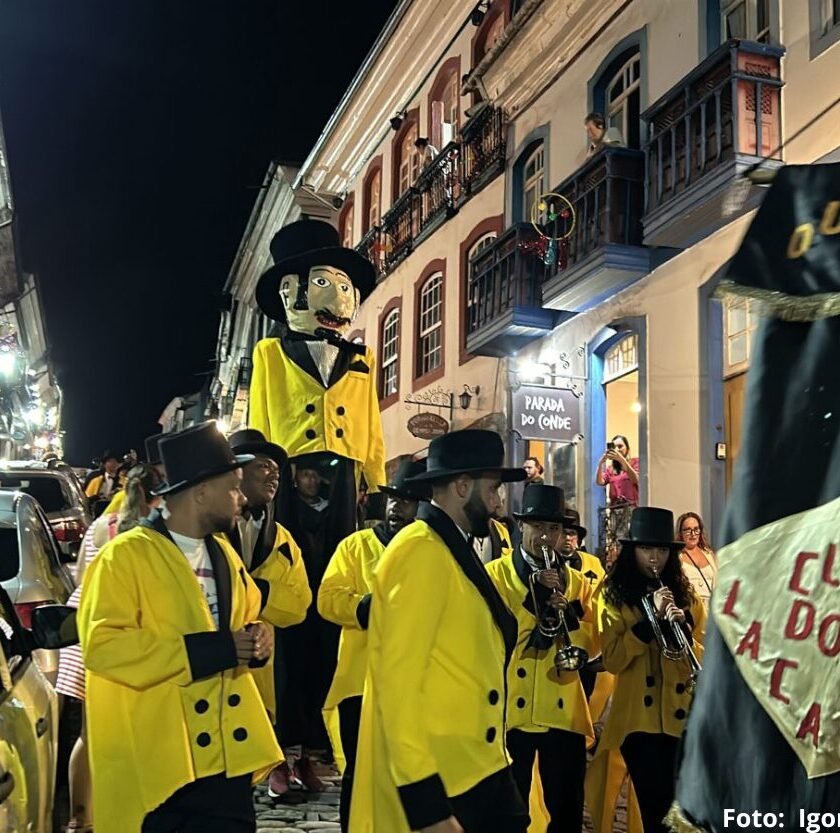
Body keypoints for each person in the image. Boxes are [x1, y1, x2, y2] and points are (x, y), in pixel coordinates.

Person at [77, 422, 281, 833]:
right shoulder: (123, 558)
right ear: (201, 491)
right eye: (234, 487)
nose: (241, 498)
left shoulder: (225, 553)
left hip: (227, 764)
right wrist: (212, 651)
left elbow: (249, 616)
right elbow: (102, 647)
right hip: (162, 771)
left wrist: (261, 636)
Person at [349, 429, 529, 833]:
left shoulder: (450, 546)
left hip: (480, 766)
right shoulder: (421, 550)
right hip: (446, 778)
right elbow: (396, 682)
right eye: (495, 488)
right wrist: (425, 802)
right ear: (463, 486)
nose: (499, 502)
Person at [319, 458, 427, 832]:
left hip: (412, 684)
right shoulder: (356, 546)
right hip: (359, 682)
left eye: (408, 500)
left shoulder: (428, 551)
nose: (398, 507)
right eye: (394, 498)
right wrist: (365, 606)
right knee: (356, 772)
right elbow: (327, 599)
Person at [56, 462, 164, 833]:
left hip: (87, 622)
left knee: (88, 735)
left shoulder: (103, 526)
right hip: (129, 628)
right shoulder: (153, 533)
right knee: (135, 731)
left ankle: (80, 817)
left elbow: (84, 576)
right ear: (158, 495)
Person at [486, 484, 595, 833]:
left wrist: (571, 617)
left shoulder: (579, 582)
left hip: (562, 711)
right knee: (508, 813)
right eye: (539, 528)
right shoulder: (495, 576)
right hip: (510, 712)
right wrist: (537, 603)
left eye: (554, 529)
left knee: (566, 811)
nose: (546, 537)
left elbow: (597, 643)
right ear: (522, 528)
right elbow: (491, 638)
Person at [595, 507, 706, 833]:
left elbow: (700, 654)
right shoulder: (612, 595)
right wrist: (648, 625)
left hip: (681, 717)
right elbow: (612, 659)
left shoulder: (685, 596)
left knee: (684, 811)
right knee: (655, 809)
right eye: (646, 549)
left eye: (660, 550)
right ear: (633, 552)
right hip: (637, 723)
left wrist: (682, 628)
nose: (654, 558)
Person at [224, 429, 312, 797]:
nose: (274, 476)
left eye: (277, 470)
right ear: (238, 472)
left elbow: (299, 604)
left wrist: (256, 593)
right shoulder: (208, 533)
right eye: (264, 467)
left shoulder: (283, 540)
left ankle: (276, 764)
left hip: (265, 661)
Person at [560, 508, 606, 700]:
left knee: (586, 698)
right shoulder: (547, 564)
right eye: (564, 532)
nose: (568, 538)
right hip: (560, 648)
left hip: (588, 647)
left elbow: (603, 601)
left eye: (572, 533)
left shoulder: (593, 563)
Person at [595, 434, 640, 555]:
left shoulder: (635, 462)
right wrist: (601, 463)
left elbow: (636, 479)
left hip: (631, 508)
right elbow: (600, 481)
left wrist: (622, 460)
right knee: (617, 540)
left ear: (627, 448)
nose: (618, 449)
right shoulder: (611, 469)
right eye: (614, 446)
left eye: (620, 446)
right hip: (615, 509)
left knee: (630, 538)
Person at [675, 511, 717, 610]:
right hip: (692, 610)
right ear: (680, 532)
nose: (693, 534)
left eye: (696, 529)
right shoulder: (677, 556)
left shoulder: (709, 554)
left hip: (712, 611)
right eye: (688, 530)